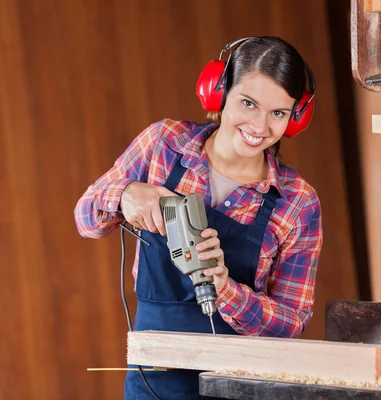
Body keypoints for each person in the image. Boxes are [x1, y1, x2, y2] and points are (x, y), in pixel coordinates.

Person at [74, 36, 323, 400]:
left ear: (295, 118)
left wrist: (227, 291)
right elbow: (86, 219)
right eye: (248, 103)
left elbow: (291, 322)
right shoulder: (164, 144)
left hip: (240, 386)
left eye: (278, 113)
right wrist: (125, 194)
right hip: (152, 384)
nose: (259, 126)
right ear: (219, 93)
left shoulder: (297, 202)